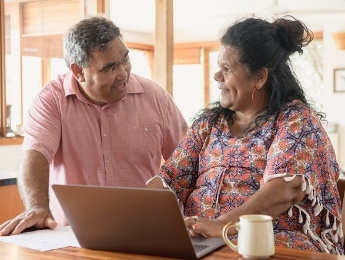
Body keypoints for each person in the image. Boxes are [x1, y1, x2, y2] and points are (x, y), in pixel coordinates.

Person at [147, 15, 344, 255]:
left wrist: (223, 225)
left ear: (260, 77)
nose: (217, 76)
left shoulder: (296, 120)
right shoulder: (209, 124)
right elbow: (170, 179)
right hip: (205, 241)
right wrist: (137, 216)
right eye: (218, 67)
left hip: (273, 242)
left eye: (227, 69)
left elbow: (285, 189)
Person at [0, 16, 188, 235]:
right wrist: (37, 207)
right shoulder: (52, 99)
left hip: (146, 228)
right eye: (109, 68)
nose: (123, 74)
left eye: (125, 59)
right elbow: (35, 155)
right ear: (78, 71)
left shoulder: (155, 97)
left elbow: (187, 160)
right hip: (73, 234)